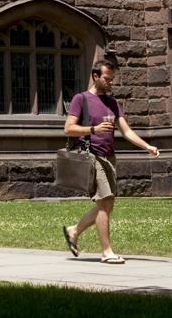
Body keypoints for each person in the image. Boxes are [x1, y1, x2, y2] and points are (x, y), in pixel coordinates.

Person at [61, 59, 159, 264]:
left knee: (107, 204)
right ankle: (107, 252)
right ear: (95, 76)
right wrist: (93, 129)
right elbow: (68, 129)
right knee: (105, 201)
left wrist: (147, 146)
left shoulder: (113, 102)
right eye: (107, 78)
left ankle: (74, 231)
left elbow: (127, 131)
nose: (110, 82)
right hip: (93, 156)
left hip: (110, 157)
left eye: (112, 79)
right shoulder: (81, 99)